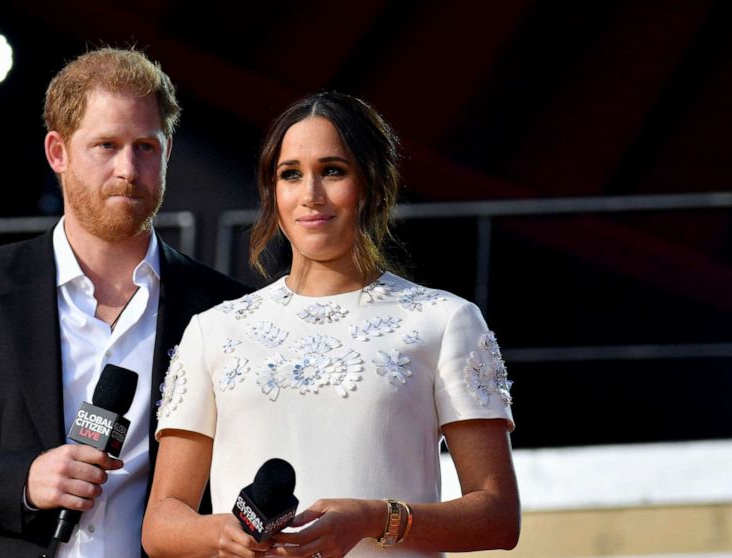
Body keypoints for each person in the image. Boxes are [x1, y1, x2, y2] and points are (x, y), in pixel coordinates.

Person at [0, 47, 250, 558]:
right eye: (105, 145)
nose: (128, 168)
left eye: (145, 147)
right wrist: (22, 480)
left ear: (167, 152)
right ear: (57, 152)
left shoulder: (222, 309)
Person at [142, 91, 520, 557]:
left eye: (333, 171)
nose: (310, 195)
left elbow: (498, 518)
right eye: (291, 174)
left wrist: (372, 518)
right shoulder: (215, 330)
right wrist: (223, 534)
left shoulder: (444, 321)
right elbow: (162, 522)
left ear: (374, 186)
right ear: (272, 191)